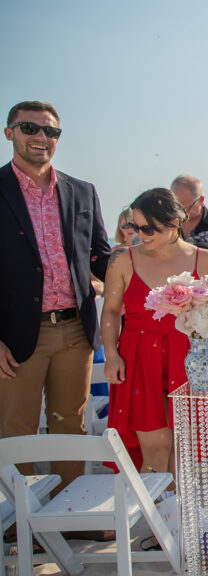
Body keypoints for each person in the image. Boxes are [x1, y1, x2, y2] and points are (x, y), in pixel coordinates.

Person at [0, 101, 112, 493]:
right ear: (9, 132)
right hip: (14, 337)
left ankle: (71, 512)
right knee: (17, 430)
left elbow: (101, 257)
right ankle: (19, 523)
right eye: (29, 128)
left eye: (50, 131)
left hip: (76, 330)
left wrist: (151, 280)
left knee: (71, 423)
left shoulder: (82, 191)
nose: (41, 138)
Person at [101, 188, 208, 474]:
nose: (141, 234)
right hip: (139, 359)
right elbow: (111, 310)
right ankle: (158, 515)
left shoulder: (205, 260)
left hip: (187, 357)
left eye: (149, 228)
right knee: (154, 449)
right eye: (135, 226)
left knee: (185, 448)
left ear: (174, 223)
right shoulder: (121, 260)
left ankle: (180, 514)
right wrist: (111, 354)